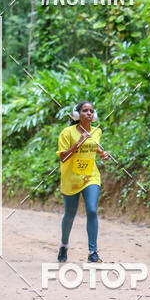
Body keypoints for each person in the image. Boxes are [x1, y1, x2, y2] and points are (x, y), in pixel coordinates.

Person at [56, 101, 109, 263]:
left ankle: (93, 252)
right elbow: (63, 157)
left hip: (90, 176)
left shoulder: (97, 131)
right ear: (77, 114)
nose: (89, 113)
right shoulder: (67, 133)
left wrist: (102, 153)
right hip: (71, 178)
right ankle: (64, 245)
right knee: (70, 215)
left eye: (91, 111)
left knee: (92, 210)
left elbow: (93, 147)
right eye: (85, 111)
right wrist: (79, 142)